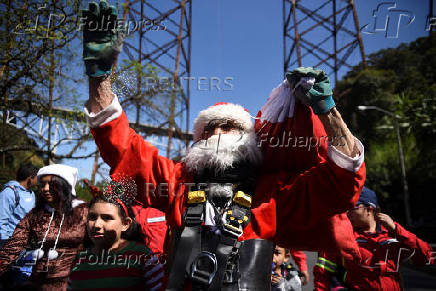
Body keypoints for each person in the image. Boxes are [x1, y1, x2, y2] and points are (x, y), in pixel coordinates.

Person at [82, 1, 366, 289]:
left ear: (248, 139)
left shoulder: (272, 192)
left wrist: (326, 110)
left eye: (229, 126)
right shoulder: (177, 181)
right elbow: (123, 149)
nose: (217, 133)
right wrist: (99, 77)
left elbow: (339, 183)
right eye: (208, 129)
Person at [313, 187, 435, 290]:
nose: (347, 212)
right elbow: (322, 275)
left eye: (353, 207)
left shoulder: (393, 234)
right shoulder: (341, 237)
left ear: (369, 209)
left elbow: (427, 257)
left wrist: (395, 229)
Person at [0, 164, 88, 291]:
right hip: (39, 284)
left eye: (51, 184)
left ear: (64, 185)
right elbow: (13, 247)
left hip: (72, 283)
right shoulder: (36, 214)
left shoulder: (83, 212)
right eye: (43, 184)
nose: (45, 189)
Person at [68, 179, 164, 291]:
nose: (97, 225)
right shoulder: (79, 260)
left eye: (107, 218)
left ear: (125, 224)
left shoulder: (144, 258)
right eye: (92, 217)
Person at [0, 163, 38, 247]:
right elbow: (2, 220)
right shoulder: (9, 193)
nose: (38, 180)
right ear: (30, 178)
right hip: (11, 242)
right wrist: (5, 244)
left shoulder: (32, 193)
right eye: (36, 177)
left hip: (27, 242)